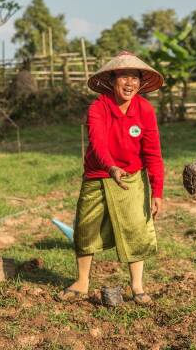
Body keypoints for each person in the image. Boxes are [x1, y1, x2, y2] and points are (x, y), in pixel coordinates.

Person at [57, 51, 164, 304]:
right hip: (98, 174)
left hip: (131, 178)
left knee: (136, 228)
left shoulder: (145, 110)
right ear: (112, 80)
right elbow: (98, 143)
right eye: (124, 77)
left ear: (141, 81)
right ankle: (82, 283)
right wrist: (111, 167)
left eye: (135, 77)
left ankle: (137, 287)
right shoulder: (98, 107)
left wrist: (157, 190)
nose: (130, 83)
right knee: (85, 228)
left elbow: (153, 152)